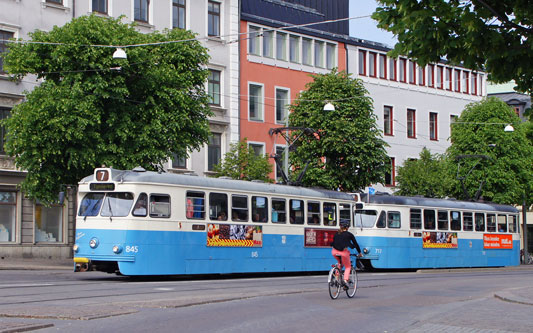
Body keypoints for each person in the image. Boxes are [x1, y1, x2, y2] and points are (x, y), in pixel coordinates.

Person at [330, 220, 362, 289]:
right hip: (343, 253)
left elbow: (333, 243)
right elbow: (355, 244)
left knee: (340, 263)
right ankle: (345, 281)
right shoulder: (349, 235)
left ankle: (336, 278)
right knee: (348, 267)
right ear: (347, 227)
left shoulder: (337, 233)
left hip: (334, 252)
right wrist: (359, 252)